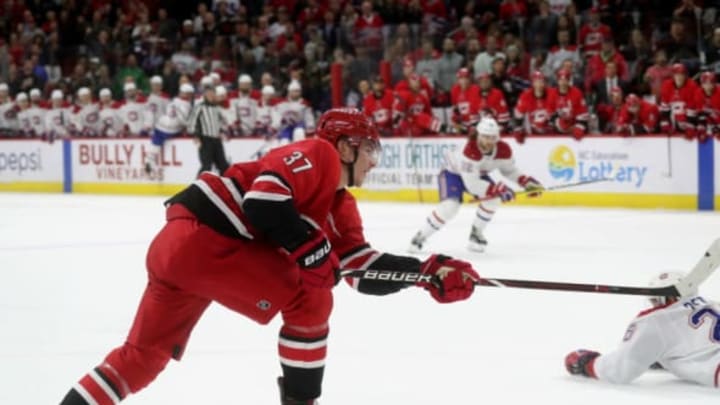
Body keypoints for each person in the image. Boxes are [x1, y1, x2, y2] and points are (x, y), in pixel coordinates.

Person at [58, 108, 480, 405]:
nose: (373, 160)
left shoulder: (340, 205)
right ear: (344, 146)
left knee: (141, 359)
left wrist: (426, 272)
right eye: (368, 148)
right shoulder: (319, 153)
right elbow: (263, 199)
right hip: (208, 241)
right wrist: (312, 251)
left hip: (178, 252)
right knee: (310, 294)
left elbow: (357, 269)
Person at [409, 117, 543, 253]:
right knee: (450, 207)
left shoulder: (503, 149)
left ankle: (476, 234)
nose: (489, 141)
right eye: (485, 137)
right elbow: (472, 184)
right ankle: (420, 236)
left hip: (476, 174)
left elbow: (509, 170)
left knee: (493, 199)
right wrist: (497, 189)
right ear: (478, 135)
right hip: (452, 173)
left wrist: (525, 181)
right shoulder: (470, 151)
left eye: (493, 137)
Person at [564, 271, 720, 387]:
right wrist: (662, 358)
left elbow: (620, 370)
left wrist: (588, 364)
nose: (653, 304)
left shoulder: (655, 320)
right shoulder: (712, 304)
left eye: (654, 299)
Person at [145, 84, 195, 173]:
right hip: (172, 129)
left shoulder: (173, 100)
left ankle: (149, 160)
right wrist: (188, 127)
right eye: (189, 93)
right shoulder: (186, 104)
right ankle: (150, 161)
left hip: (161, 124)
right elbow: (182, 119)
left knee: (156, 143)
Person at [187, 84, 230, 176]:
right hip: (205, 139)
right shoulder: (200, 107)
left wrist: (223, 131)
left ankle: (226, 186)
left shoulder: (217, 108)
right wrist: (196, 136)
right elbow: (191, 122)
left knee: (223, 165)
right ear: (205, 95)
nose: (211, 96)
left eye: (212, 93)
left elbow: (222, 121)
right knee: (206, 166)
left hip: (216, 140)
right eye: (208, 94)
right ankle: (199, 187)